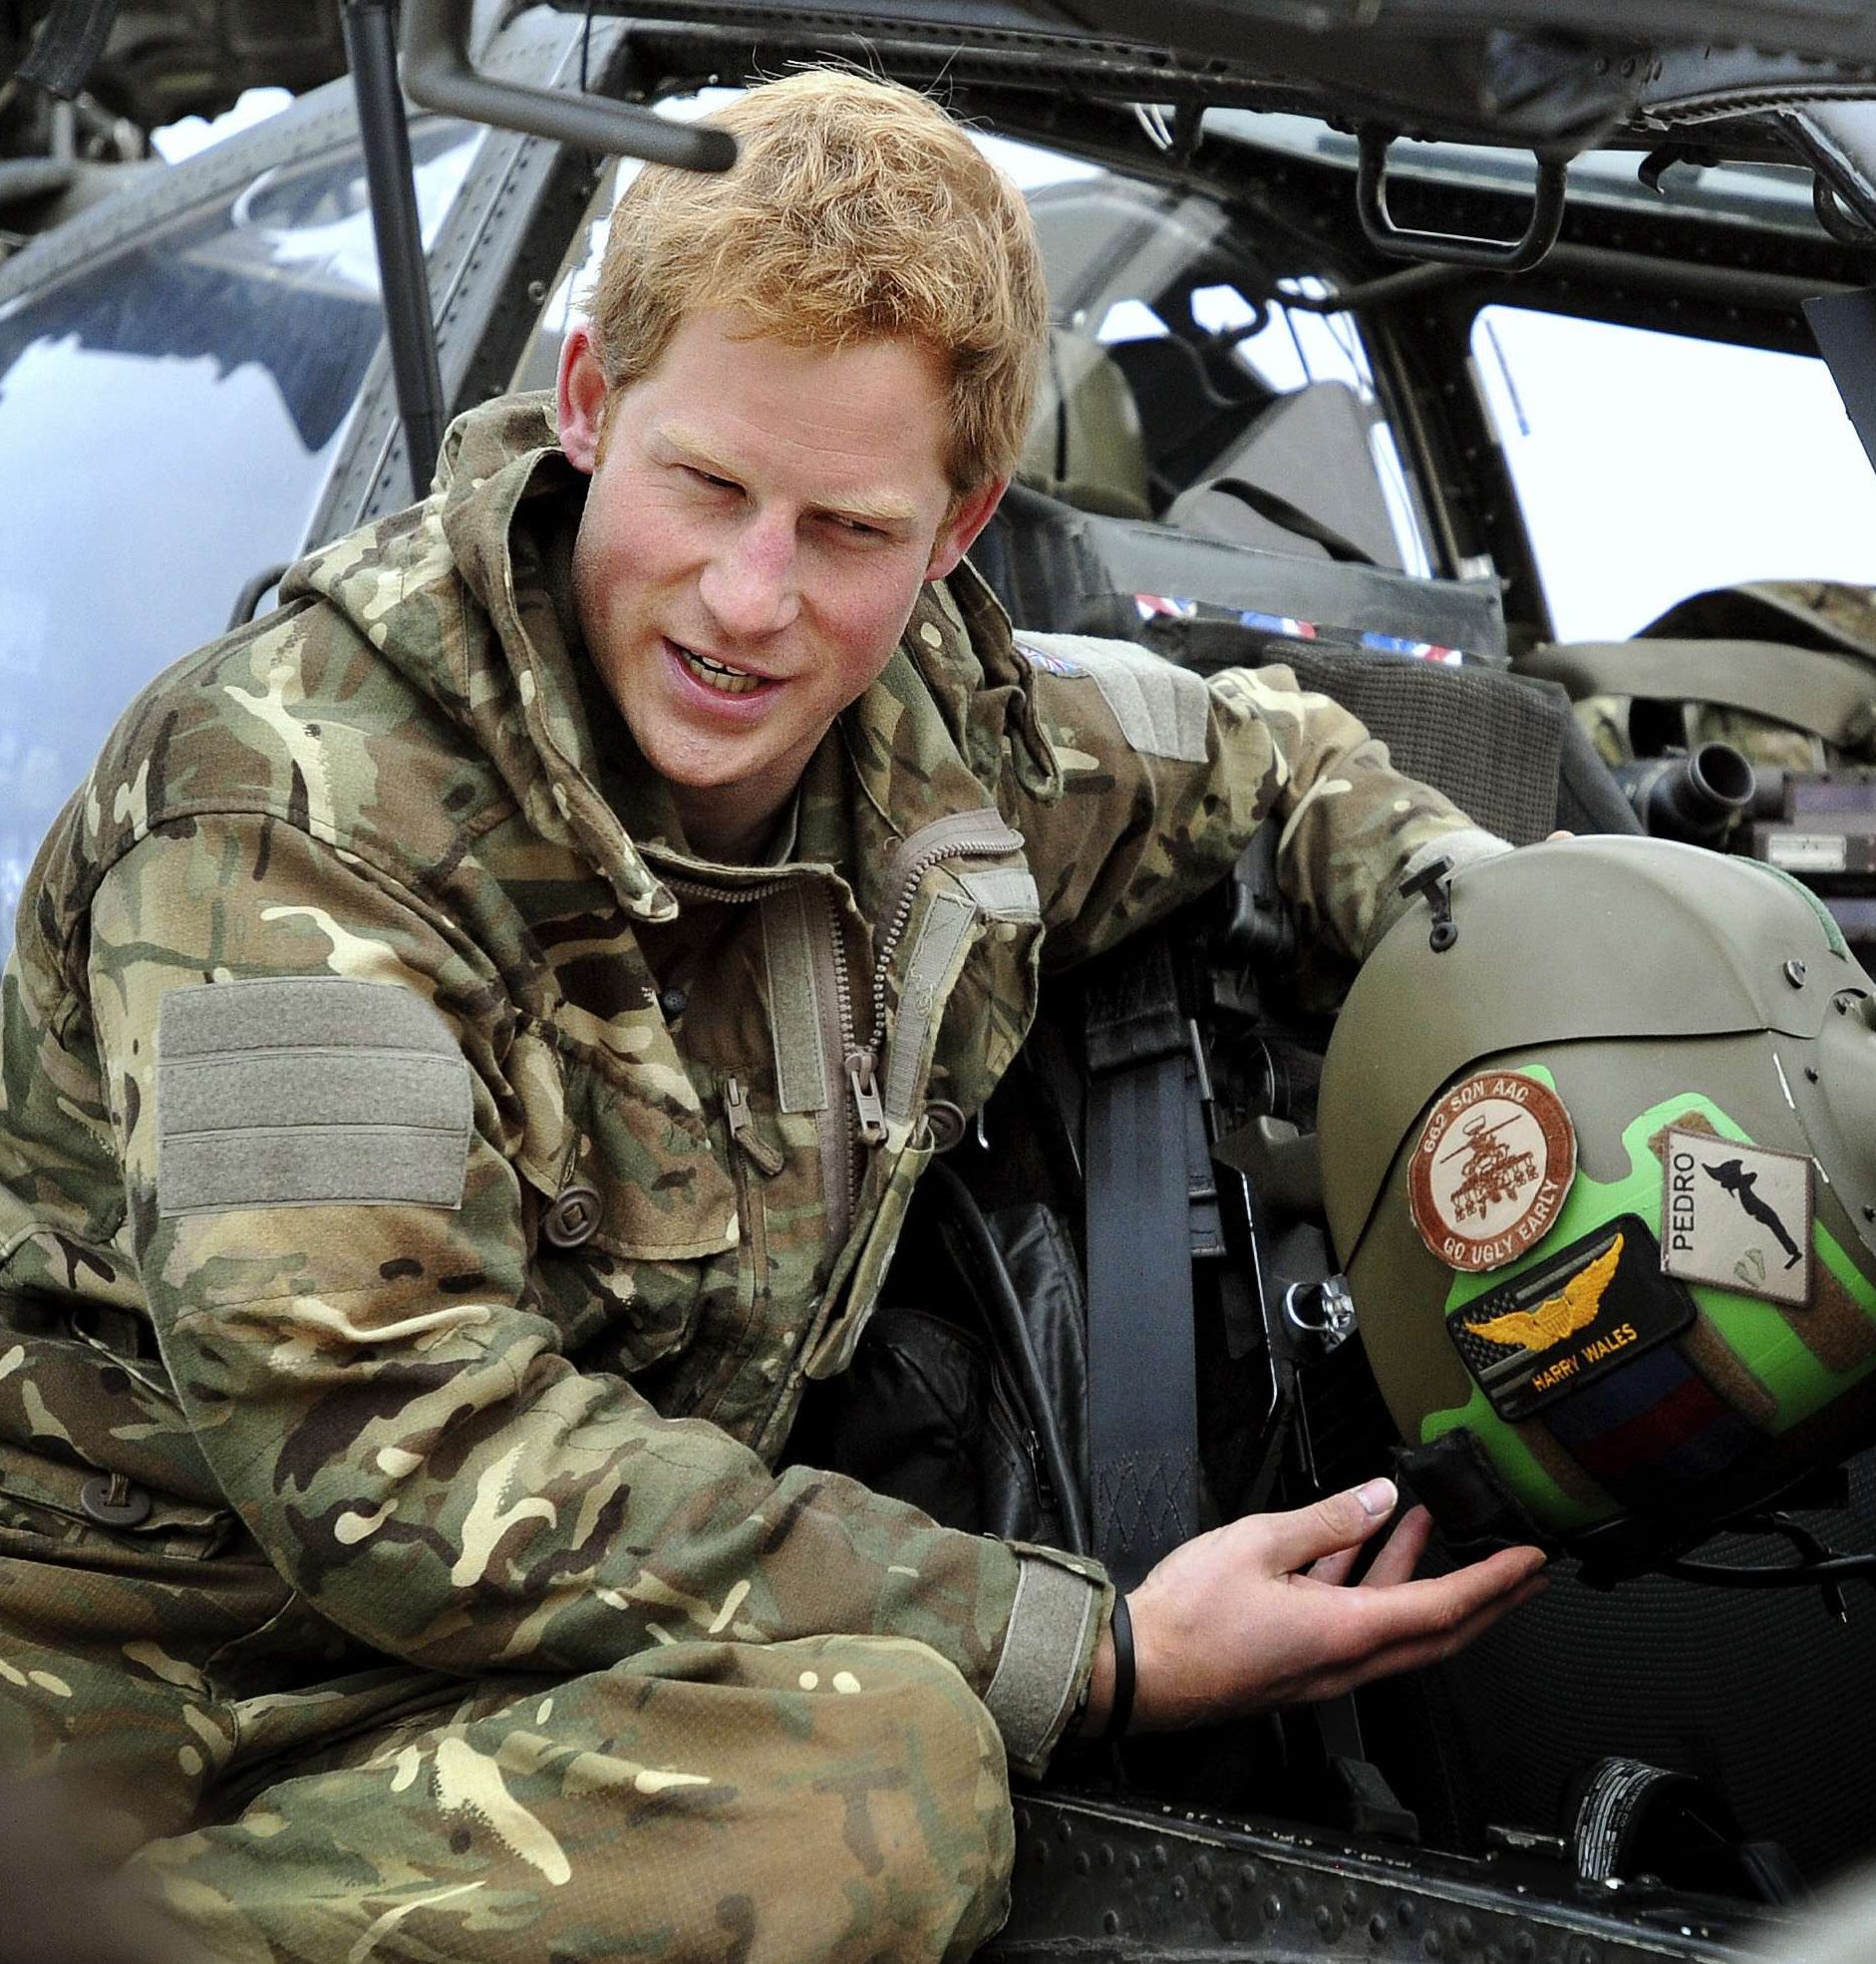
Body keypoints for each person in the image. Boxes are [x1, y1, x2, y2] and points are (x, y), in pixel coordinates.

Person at [0, 70, 1545, 1963]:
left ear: (957, 528)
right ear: (588, 404)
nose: (749, 600)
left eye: (845, 529)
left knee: (880, 1779)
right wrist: (1101, 1644)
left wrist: (1524, 970)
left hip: (517, 1692)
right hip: (119, 1701)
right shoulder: (291, 801)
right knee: (916, 1768)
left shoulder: (949, 757)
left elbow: (1280, 763)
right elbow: (382, 1442)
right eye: (707, 486)